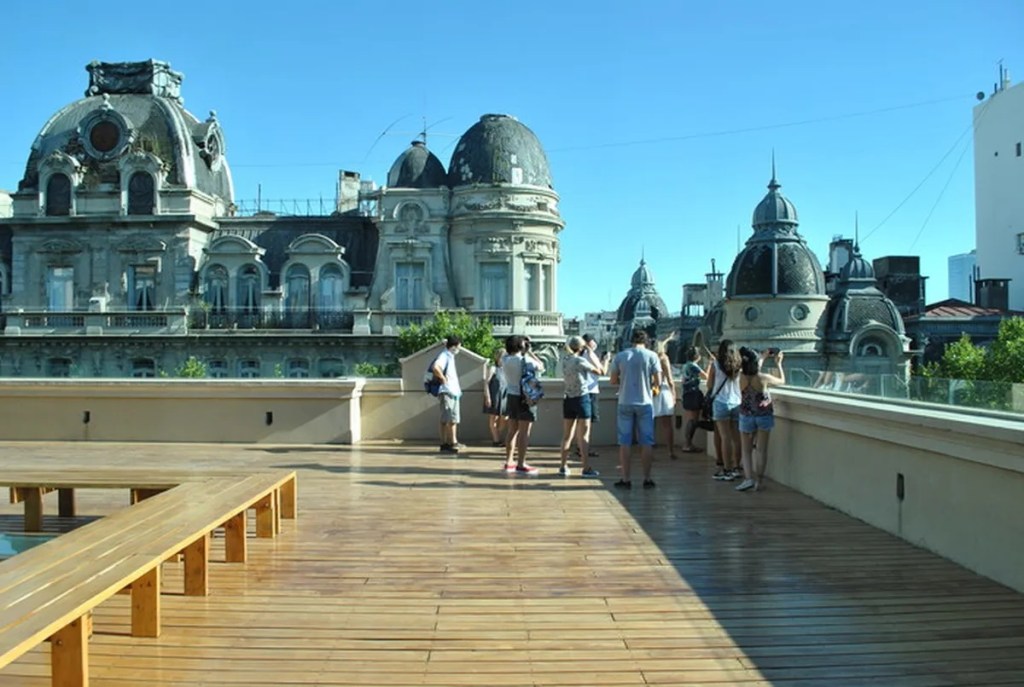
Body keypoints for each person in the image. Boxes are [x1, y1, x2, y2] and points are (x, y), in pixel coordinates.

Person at [610, 329, 661, 489]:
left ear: (631, 340)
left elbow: (613, 380)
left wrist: (624, 380)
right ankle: (647, 478)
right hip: (645, 402)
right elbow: (658, 381)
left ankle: (626, 479)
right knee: (646, 442)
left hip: (625, 401)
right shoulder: (652, 356)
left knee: (624, 442)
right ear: (646, 341)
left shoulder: (621, 356)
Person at [735, 347, 786, 492]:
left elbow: (751, 368)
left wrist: (762, 357)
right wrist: (778, 364)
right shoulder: (764, 378)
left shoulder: (740, 377)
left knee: (746, 451)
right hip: (763, 415)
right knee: (761, 450)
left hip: (746, 415)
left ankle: (748, 479)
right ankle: (759, 481)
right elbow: (782, 381)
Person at [558, 335, 600, 477]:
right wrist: (591, 353)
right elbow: (600, 371)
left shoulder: (565, 360)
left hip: (568, 398)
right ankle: (586, 467)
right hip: (582, 398)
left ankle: (563, 466)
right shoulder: (580, 361)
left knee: (566, 435)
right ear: (581, 347)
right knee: (583, 436)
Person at [502, 335, 544, 476]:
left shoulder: (505, 359)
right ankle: (521, 463)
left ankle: (509, 461)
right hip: (525, 397)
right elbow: (541, 366)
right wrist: (530, 351)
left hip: (511, 395)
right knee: (524, 431)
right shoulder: (526, 360)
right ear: (521, 346)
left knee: (512, 430)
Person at [705, 339, 742, 481]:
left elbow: (709, 385)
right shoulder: (739, 365)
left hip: (721, 402)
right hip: (737, 402)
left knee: (725, 437)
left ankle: (727, 469)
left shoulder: (716, 365)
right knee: (736, 437)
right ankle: (737, 467)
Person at [430, 335, 462, 454]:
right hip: (447, 391)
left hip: (453, 391)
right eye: (458, 346)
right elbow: (436, 367)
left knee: (453, 418)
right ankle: (445, 443)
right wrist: (443, 378)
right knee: (446, 418)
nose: (459, 349)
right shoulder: (444, 356)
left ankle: (453, 441)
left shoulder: (450, 356)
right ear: (453, 347)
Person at [579, 334, 610, 458]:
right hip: (590, 391)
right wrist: (606, 360)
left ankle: (580, 447)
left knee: (580, 422)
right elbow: (603, 371)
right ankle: (584, 448)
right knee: (587, 422)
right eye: (593, 341)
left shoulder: (580, 355)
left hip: (580, 391)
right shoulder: (589, 354)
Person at [652, 335, 678, 460]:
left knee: (648, 423)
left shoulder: (650, 358)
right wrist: (674, 394)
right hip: (663, 391)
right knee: (667, 423)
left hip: (651, 391)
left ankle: (648, 451)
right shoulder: (664, 359)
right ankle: (670, 451)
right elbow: (670, 379)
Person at [679, 346, 707, 452]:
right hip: (693, 394)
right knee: (693, 420)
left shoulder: (686, 365)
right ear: (696, 356)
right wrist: (710, 364)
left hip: (687, 394)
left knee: (691, 420)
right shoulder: (693, 366)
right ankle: (688, 444)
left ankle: (688, 443)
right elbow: (705, 376)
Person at [482, 348, 508, 446]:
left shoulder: (506, 370)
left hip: (504, 397)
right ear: (498, 358)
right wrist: (487, 396)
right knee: (493, 418)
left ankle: (498, 435)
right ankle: (496, 440)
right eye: (502, 357)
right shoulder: (493, 368)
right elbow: (486, 383)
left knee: (504, 417)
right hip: (494, 396)